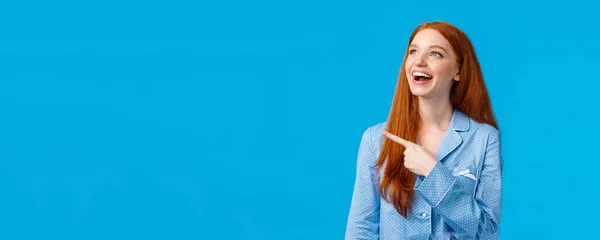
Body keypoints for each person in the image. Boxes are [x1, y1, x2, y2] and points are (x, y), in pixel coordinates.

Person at [345, 21, 502, 240]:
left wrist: (434, 172)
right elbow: (360, 230)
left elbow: (487, 233)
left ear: (458, 70)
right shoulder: (375, 140)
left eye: (435, 54)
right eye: (413, 51)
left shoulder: (484, 139)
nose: (418, 61)